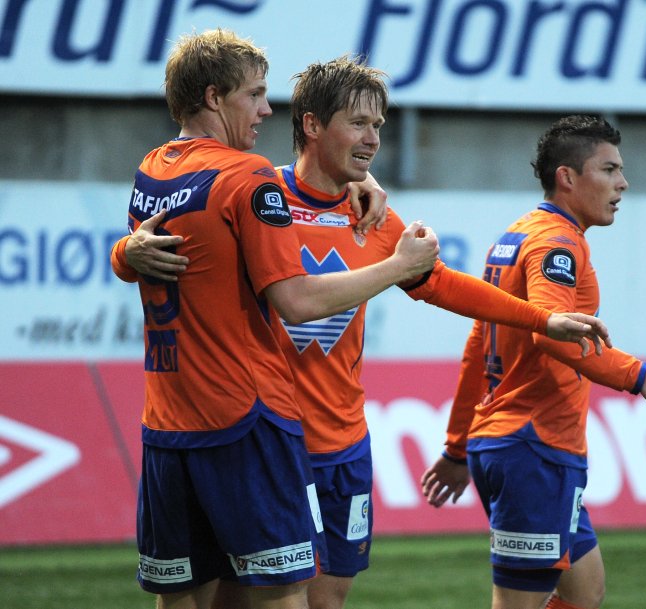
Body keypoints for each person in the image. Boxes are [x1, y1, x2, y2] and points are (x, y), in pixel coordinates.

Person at [114, 56, 613, 609]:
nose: (374, 138)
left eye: (378, 124)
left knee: (326, 600)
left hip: (343, 444)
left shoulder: (373, 218)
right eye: (358, 124)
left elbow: (443, 285)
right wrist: (126, 251)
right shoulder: (259, 195)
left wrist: (542, 318)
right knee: (249, 598)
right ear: (311, 125)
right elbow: (192, 241)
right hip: (268, 440)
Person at [111, 29, 441, 609]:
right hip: (246, 417)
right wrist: (397, 266)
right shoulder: (249, 175)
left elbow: (141, 253)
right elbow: (296, 301)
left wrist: (121, 254)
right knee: (285, 592)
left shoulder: (153, 169)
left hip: (168, 419)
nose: (266, 109)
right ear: (214, 97)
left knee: (182, 595)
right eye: (255, 94)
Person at [420, 115, 646, 609]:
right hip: (533, 448)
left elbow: (479, 345)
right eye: (609, 169)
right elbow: (555, 335)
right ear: (567, 177)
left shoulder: (517, 234)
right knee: (518, 603)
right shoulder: (556, 244)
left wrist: (458, 447)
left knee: (584, 592)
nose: (623, 183)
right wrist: (642, 378)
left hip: (514, 443)